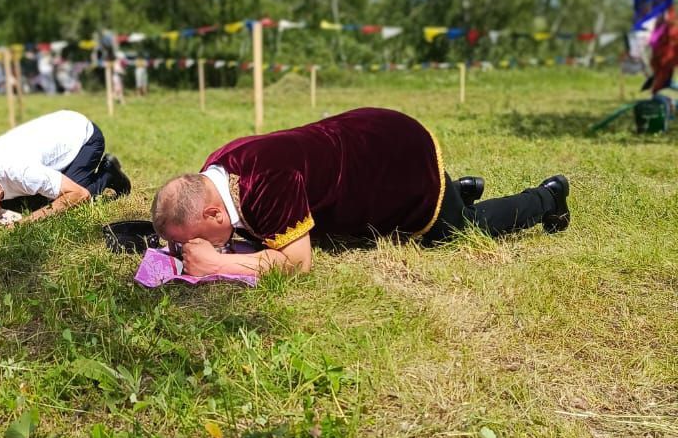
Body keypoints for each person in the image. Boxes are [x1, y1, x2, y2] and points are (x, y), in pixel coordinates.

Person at [150, 107, 571, 278]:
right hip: (362, 142)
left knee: (456, 231)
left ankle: (548, 197)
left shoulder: (264, 186)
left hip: (398, 156)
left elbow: (297, 263)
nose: (192, 247)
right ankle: (459, 190)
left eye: (194, 238)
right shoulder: (216, 168)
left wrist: (215, 265)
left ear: (213, 214)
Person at [0, 108, 132, 226]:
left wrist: (25, 224)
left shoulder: (21, 171)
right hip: (52, 137)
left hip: (82, 136)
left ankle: (108, 173)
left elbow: (77, 194)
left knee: (68, 204)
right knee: (33, 204)